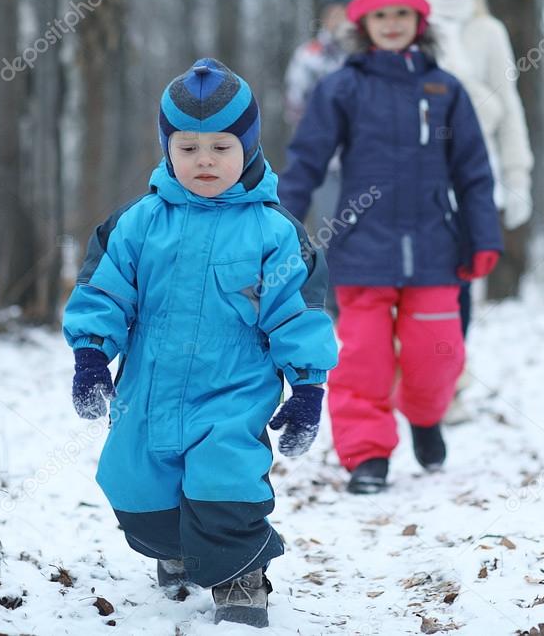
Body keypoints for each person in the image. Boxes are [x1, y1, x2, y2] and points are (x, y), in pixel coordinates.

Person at [62, 58, 338, 628]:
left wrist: (309, 387)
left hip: (232, 394)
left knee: (225, 483)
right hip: (147, 393)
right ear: (168, 150)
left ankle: (241, 577)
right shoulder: (138, 223)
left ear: (249, 149)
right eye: (188, 148)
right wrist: (91, 356)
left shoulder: (273, 231)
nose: (205, 161)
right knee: (132, 485)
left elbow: (298, 314)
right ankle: (178, 547)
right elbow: (105, 292)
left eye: (220, 147)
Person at [279, 0, 502, 494]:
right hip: (361, 251)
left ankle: (425, 417)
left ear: (419, 20)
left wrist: (484, 236)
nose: (393, 23)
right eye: (381, 15)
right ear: (364, 23)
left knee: (437, 353)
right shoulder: (343, 88)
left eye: (403, 13)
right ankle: (367, 456)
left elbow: (473, 170)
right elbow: (306, 160)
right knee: (363, 361)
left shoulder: (444, 89)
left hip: (433, 249)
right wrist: (284, 226)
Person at [415, 0, 536, 423]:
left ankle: (451, 383)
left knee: (461, 285)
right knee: (418, 285)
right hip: (416, 176)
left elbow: (506, 105)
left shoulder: (489, 32)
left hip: (471, 174)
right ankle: (414, 378)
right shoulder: (404, 24)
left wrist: (518, 173)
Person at [284, 0, 352, 314]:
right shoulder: (309, 55)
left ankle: (351, 290)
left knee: (356, 225)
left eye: (345, 14)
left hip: (358, 159)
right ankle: (331, 295)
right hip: (324, 158)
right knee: (330, 226)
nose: (339, 20)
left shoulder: (359, 53)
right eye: (333, 15)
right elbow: (295, 99)